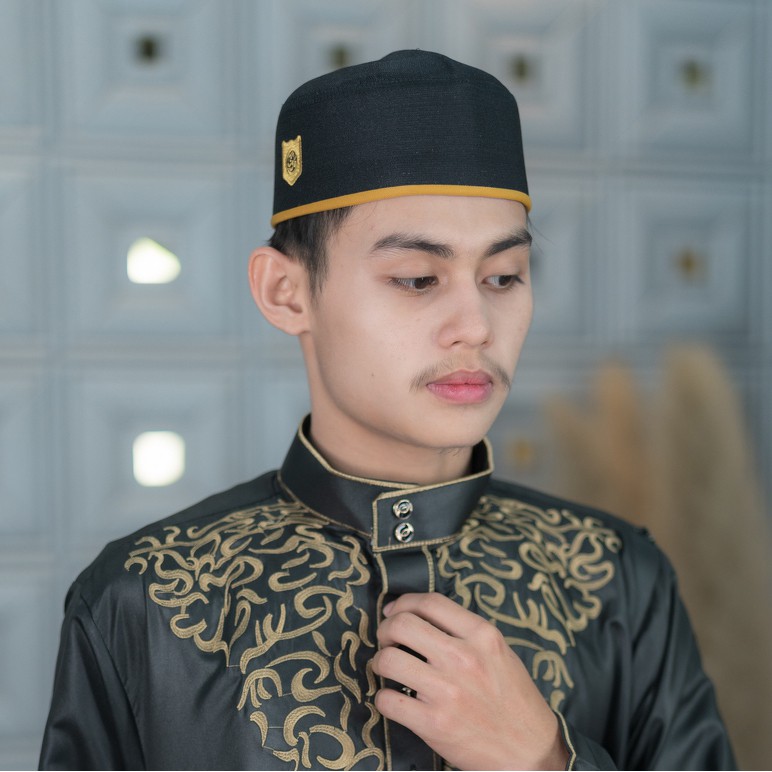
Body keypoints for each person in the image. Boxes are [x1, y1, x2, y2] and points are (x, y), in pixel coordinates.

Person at [39, 50, 735, 771]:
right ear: (285, 292)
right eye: (416, 279)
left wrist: (541, 758)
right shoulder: (143, 599)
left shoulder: (615, 577)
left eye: (504, 276)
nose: (476, 325)